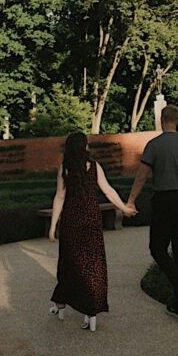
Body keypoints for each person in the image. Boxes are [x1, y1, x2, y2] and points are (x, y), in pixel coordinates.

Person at [126, 103, 178, 321]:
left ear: (161, 120)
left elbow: (142, 176)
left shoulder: (154, 145)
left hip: (164, 199)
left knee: (157, 248)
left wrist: (131, 200)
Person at [48, 132, 136, 332]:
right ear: (84, 147)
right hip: (91, 220)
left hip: (71, 220)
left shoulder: (65, 169)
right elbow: (108, 191)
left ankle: (61, 303)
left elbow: (59, 197)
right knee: (93, 264)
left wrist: (53, 226)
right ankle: (91, 312)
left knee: (69, 262)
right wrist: (123, 208)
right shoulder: (95, 167)